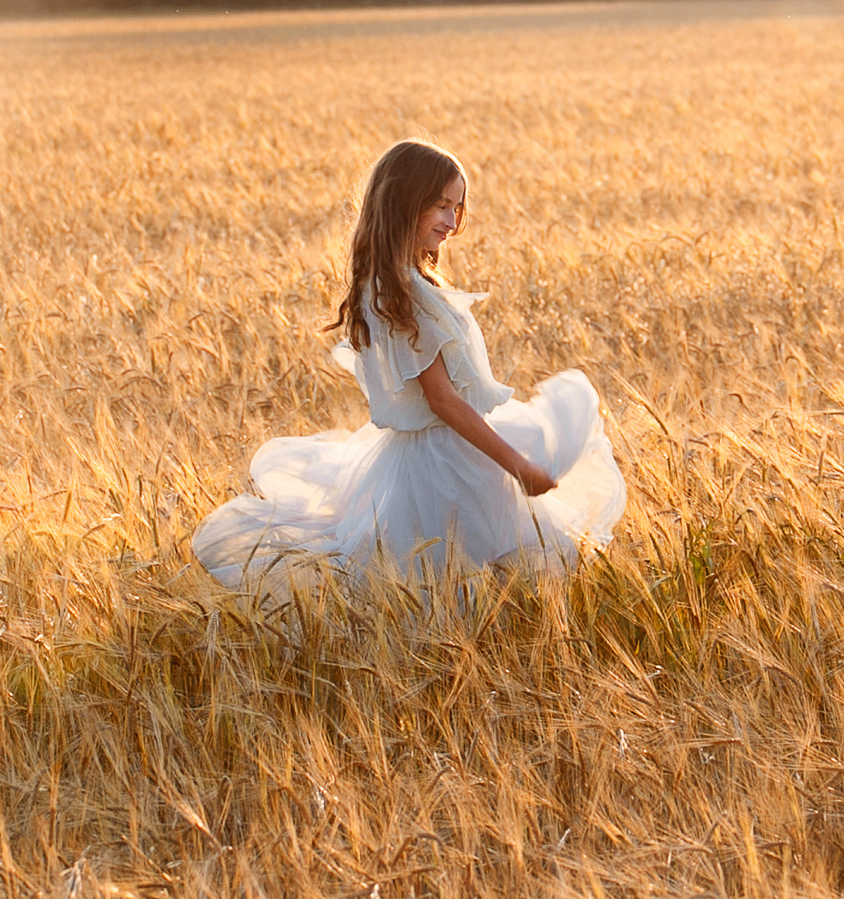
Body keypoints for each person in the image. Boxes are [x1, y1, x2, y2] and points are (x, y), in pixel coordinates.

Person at [191, 139, 626, 589]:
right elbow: (441, 399)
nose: (452, 222)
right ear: (403, 203)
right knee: (452, 579)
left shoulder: (403, 282)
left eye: (458, 208)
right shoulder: (400, 293)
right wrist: (516, 464)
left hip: (443, 453)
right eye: (441, 206)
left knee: (472, 579)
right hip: (442, 464)